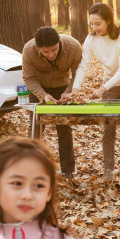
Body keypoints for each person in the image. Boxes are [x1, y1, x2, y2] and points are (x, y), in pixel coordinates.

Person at [69, 2, 120, 183]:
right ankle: (108, 172)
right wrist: (75, 88)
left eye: (98, 24)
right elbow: (83, 65)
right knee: (108, 130)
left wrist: (102, 89)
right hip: (110, 87)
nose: (94, 28)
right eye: (91, 24)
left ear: (109, 21)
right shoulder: (91, 39)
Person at [22, 26, 82, 177]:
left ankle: (68, 171)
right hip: (38, 88)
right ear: (38, 48)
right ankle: (32, 168)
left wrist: (68, 92)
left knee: (64, 127)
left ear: (59, 42)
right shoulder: (28, 50)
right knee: (36, 126)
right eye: (45, 52)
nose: (51, 54)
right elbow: (28, 78)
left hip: (62, 87)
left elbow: (78, 74)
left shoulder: (74, 47)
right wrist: (43, 95)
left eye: (54, 50)